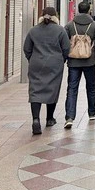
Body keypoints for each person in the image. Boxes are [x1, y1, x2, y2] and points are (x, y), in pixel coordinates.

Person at [23, 7, 70, 135]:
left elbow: (26, 48)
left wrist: (32, 59)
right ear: (56, 16)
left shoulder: (33, 30)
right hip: (54, 64)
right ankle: (49, 118)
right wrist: (61, 60)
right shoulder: (60, 30)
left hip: (36, 63)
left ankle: (36, 119)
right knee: (52, 89)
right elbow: (66, 48)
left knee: (35, 91)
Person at [63, 1, 95, 129]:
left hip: (73, 62)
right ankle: (92, 112)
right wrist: (93, 53)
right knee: (91, 87)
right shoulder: (94, 25)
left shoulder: (70, 25)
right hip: (89, 62)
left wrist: (67, 55)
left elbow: (64, 43)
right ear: (88, 11)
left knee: (72, 88)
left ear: (78, 10)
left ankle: (70, 116)